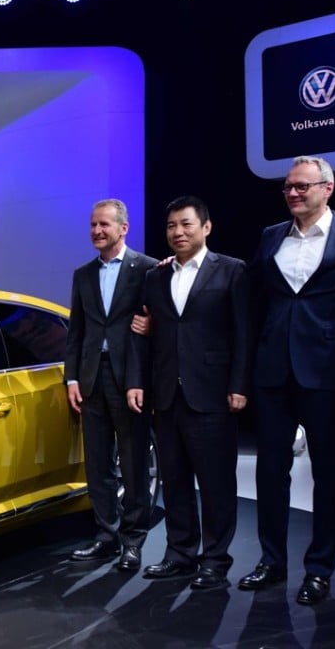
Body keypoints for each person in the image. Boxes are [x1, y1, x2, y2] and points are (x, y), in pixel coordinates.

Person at [240, 156, 335, 604]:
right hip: (273, 369)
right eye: (288, 187)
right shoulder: (271, 235)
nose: (293, 193)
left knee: (327, 473)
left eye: (302, 186)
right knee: (270, 471)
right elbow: (247, 288)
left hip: (326, 370)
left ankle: (319, 569)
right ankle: (271, 561)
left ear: (327, 188)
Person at [127, 195, 250, 590]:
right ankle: (179, 553)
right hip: (165, 394)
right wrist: (138, 382)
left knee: (216, 483)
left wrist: (239, 385)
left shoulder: (232, 270)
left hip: (212, 394)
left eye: (186, 224)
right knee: (175, 479)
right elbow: (144, 334)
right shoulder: (155, 277)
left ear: (206, 227)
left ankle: (215, 560)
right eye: (171, 226)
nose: (177, 232)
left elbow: (244, 334)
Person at [64, 199, 157, 572]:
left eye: (104, 224)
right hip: (90, 378)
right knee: (98, 462)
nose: (97, 231)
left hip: (129, 378)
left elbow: (160, 324)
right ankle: (106, 536)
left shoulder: (147, 269)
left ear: (123, 228)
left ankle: (133, 542)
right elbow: (76, 331)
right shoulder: (83, 275)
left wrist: (140, 375)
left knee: (133, 464)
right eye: (93, 225)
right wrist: (72, 377)